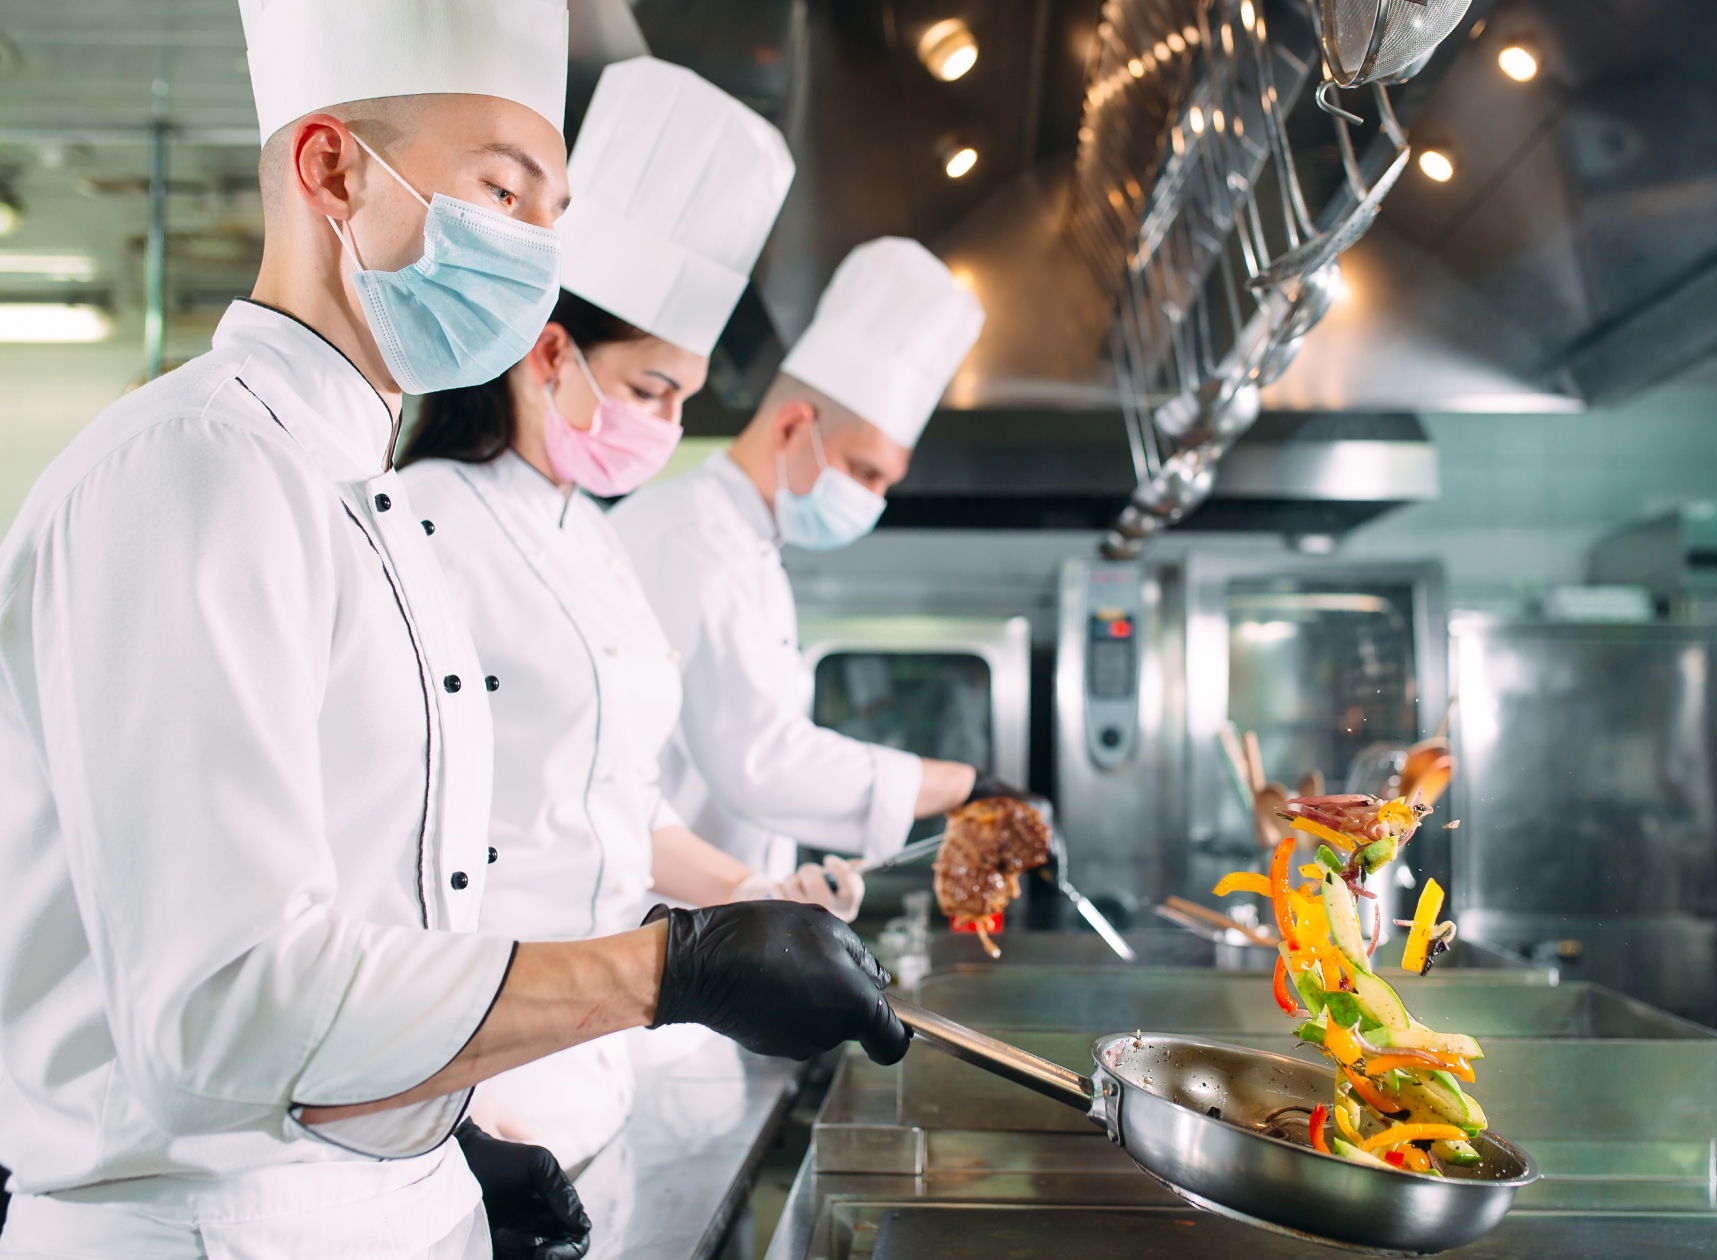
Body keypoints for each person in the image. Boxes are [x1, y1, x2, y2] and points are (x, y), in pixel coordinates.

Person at [0, 7, 906, 1259]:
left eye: (551, 216)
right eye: (502, 194)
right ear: (331, 170)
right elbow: (222, 1007)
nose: (535, 256)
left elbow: (393, 912)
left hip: (382, 1199)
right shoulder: (197, 469)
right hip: (216, 1227)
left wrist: (445, 1136)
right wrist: (669, 970)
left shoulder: (361, 493)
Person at [397, 55, 858, 1174]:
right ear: (551, 351)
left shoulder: (594, 538)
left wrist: (758, 898)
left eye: (684, 400)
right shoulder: (424, 523)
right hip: (472, 1074)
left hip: (598, 1057)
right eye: (652, 391)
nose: (667, 427)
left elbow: (615, 806)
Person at [609, 239, 996, 882]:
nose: (872, 500)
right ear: (792, 428)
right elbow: (762, 763)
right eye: (863, 471)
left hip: (710, 907)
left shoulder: (749, 544)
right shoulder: (693, 539)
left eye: (884, 484)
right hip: (656, 910)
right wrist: (961, 784)